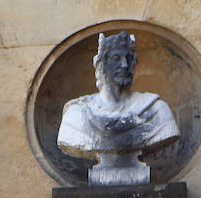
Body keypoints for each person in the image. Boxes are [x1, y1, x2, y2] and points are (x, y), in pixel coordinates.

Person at [57, 32, 179, 185]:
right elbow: (67, 138)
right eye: (116, 58)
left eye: (129, 59)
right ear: (101, 65)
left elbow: (168, 132)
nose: (124, 65)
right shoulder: (77, 114)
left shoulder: (156, 110)